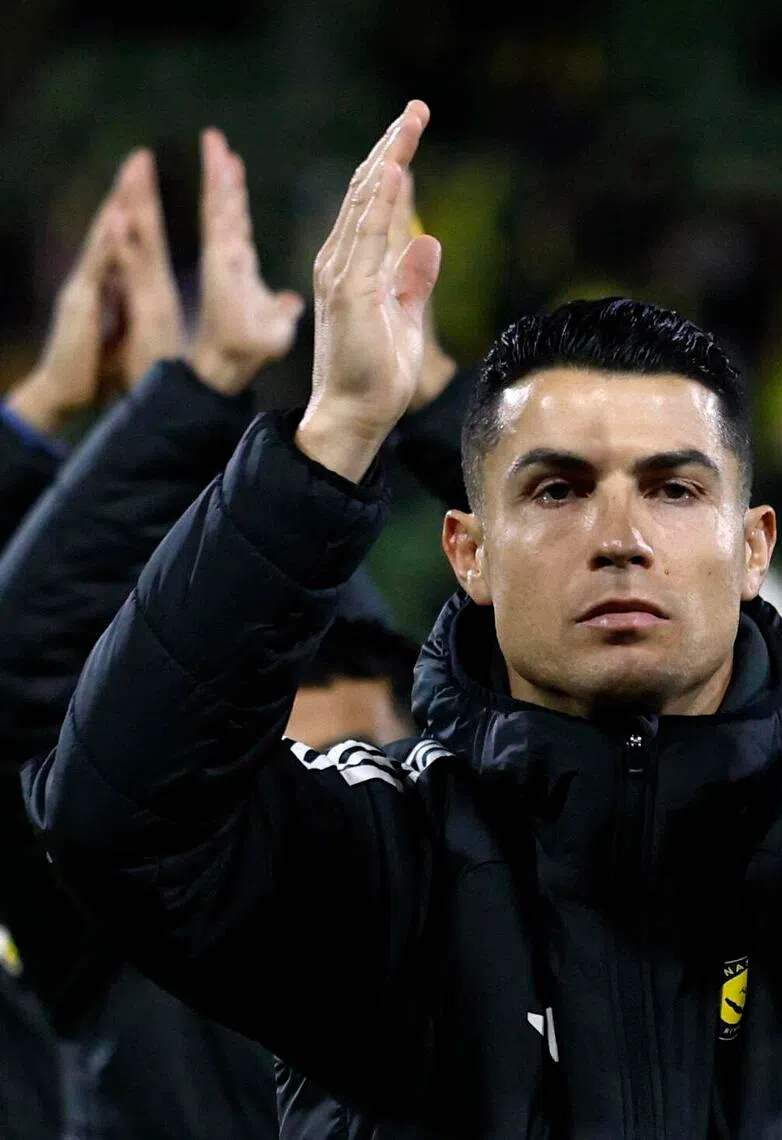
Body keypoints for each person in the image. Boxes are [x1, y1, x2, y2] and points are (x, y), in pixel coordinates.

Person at [23, 49, 782, 1139]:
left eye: (672, 486)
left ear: (755, 547)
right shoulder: (379, 861)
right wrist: (333, 441)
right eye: (557, 489)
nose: (619, 537)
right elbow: (120, 826)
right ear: (467, 552)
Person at [0, 128, 302, 1139]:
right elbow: (21, 659)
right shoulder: (138, 935)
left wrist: (184, 405)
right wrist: (171, 403)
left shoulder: (415, 886)